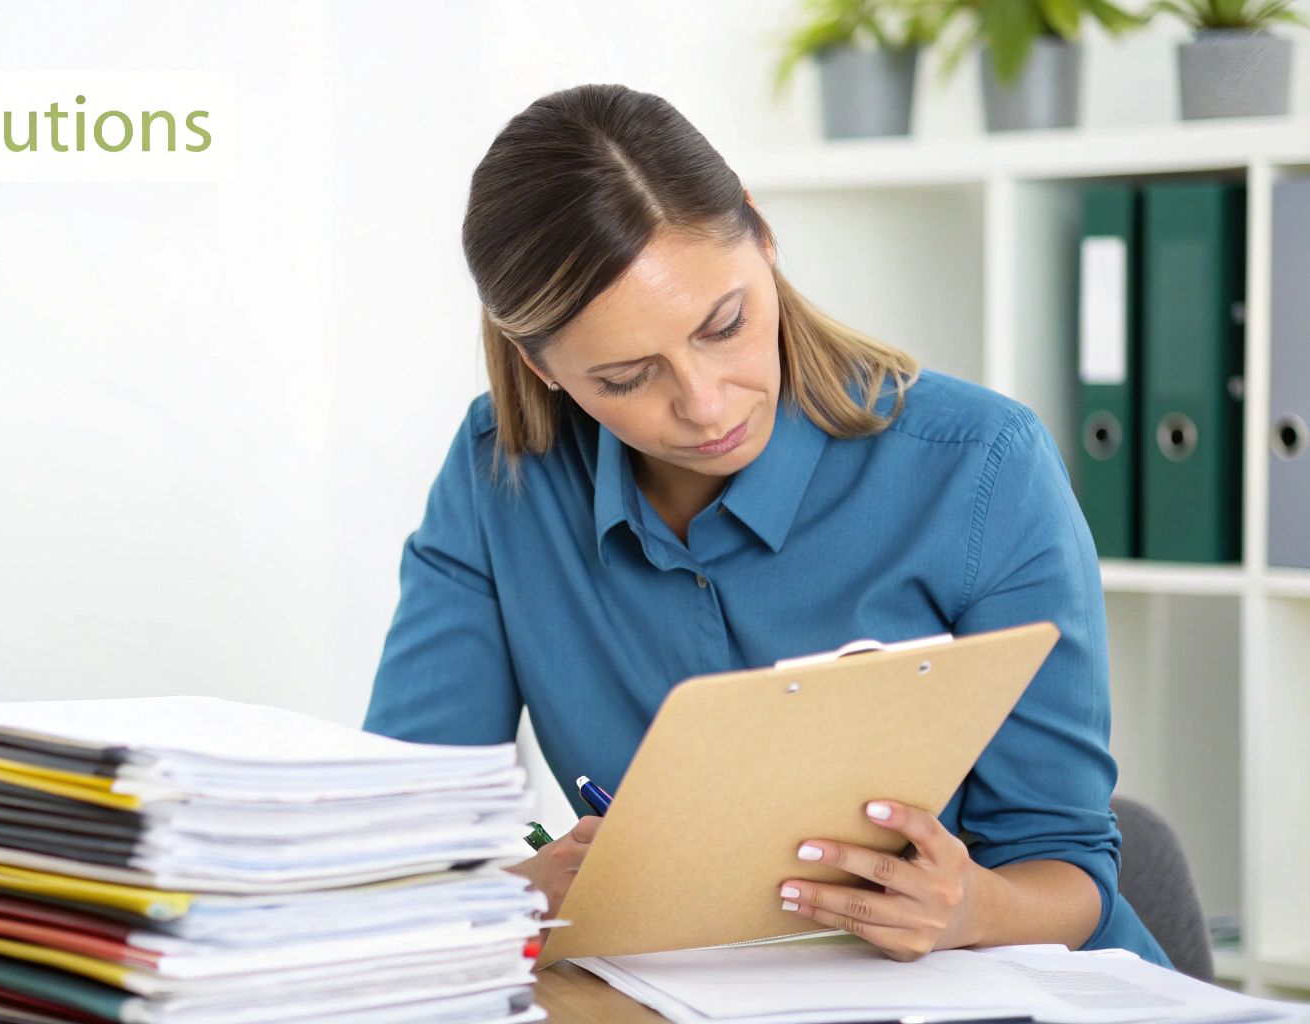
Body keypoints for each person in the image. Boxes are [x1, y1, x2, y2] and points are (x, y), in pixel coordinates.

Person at [361, 83, 1169, 967]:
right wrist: (516, 895)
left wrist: (971, 905)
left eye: (725, 325)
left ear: (761, 232)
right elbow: (413, 838)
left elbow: (1074, 872)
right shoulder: (499, 475)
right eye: (626, 379)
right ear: (541, 367)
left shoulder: (978, 465)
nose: (706, 406)